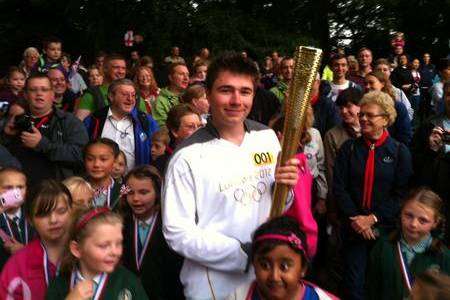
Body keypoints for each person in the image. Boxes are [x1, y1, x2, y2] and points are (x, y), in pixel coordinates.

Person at [162, 52, 300, 299]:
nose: (236, 100)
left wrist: (286, 190)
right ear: (208, 94)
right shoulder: (187, 157)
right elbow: (177, 231)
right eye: (226, 90)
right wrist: (244, 254)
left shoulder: (267, 138)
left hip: (266, 276)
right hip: (215, 284)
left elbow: (276, 204)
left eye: (245, 91)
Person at [333, 90, 413, 300]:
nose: (363, 119)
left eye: (370, 115)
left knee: (383, 285)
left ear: (386, 119)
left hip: (385, 231)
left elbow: (401, 194)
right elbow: (339, 188)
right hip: (353, 229)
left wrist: (373, 219)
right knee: (354, 287)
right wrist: (357, 220)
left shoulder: (399, 151)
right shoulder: (348, 148)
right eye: (362, 115)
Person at [1, 73, 88, 187]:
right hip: (18, 192)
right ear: (26, 95)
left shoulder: (68, 121)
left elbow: (81, 155)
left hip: (55, 194)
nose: (39, 94)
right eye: (33, 90)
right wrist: (5, 136)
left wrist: (42, 144)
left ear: (52, 94)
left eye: (44, 90)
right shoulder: (15, 120)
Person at [46, 207, 149, 299]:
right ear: (77, 249)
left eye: (118, 243)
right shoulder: (59, 286)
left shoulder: (128, 282)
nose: (114, 252)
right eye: (104, 246)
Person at [367, 188, 450, 299]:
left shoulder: (443, 256)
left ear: (435, 222)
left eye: (423, 220)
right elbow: (371, 290)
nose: (413, 224)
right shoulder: (383, 247)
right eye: (409, 216)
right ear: (401, 213)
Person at [227, 216, 337, 300]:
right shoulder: (238, 296)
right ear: (254, 265)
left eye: (284, 266)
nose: (274, 277)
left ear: (303, 268)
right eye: (265, 265)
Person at [0, 180, 72, 299]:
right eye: (43, 214)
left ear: (72, 211)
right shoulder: (17, 265)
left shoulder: (89, 252)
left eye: (61, 211)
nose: (53, 220)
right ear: (29, 219)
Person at [121, 165, 184, 299]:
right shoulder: (120, 224)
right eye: (130, 193)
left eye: (143, 192)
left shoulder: (171, 224)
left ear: (158, 192)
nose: (136, 198)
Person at [83, 79, 159, 170]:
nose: (130, 99)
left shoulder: (146, 121)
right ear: (111, 96)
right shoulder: (94, 120)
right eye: (124, 94)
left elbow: (158, 152)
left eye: (133, 95)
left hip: (136, 180)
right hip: (100, 181)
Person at [411, 81, 450, 242]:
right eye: (449, 94)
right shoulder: (429, 126)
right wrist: (431, 149)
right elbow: (414, 164)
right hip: (432, 202)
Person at [324, 88, 363, 221]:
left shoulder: (371, 130)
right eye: (341, 108)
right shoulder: (333, 135)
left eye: (348, 106)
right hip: (344, 198)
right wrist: (332, 205)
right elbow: (330, 171)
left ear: (360, 106)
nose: (344, 111)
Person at [76, 54, 145, 121]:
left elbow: (147, 124)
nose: (121, 71)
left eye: (123, 68)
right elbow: (79, 125)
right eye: (116, 67)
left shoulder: (135, 95)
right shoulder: (92, 94)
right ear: (105, 69)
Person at [365, 71, 413, 145]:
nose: (367, 86)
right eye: (365, 84)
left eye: (371, 83)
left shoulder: (397, 107)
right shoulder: (363, 107)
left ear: (382, 84)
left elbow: (405, 135)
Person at [0, 168, 33, 269]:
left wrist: (24, 251)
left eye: (20, 187)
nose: (15, 193)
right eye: (8, 188)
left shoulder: (34, 216)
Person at [83, 138, 122, 210]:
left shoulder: (122, 193)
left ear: (115, 161)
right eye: (90, 159)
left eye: (103, 159)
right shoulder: (75, 189)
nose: (96, 164)